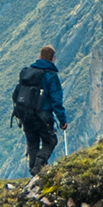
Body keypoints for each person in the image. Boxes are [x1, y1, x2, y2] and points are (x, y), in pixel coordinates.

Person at [11, 44, 69, 177]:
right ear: (53, 59)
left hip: (25, 116)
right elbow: (56, 100)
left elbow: (15, 94)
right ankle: (38, 167)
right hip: (42, 116)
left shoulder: (27, 73)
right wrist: (62, 120)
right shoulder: (50, 76)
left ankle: (34, 175)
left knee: (32, 144)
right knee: (50, 141)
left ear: (39, 57)